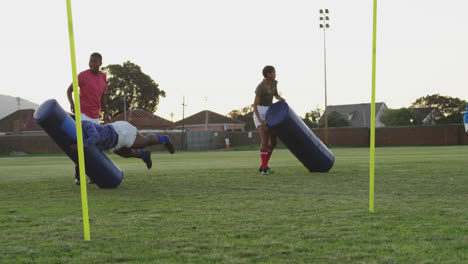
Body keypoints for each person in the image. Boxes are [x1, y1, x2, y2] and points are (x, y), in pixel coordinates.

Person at [70, 120, 175, 177]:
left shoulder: (85, 124)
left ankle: (165, 139)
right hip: (113, 143)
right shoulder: (75, 134)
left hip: (120, 132)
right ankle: (145, 155)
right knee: (125, 154)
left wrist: (79, 146)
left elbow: (95, 137)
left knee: (144, 142)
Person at [66, 52, 110, 184]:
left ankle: (92, 175)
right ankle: (78, 176)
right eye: (90, 61)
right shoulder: (82, 75)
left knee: (94, 146)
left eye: (95, 62)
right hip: (83, 114)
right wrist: (72, 103)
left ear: (100, 63)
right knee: (84, 145)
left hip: (96, 116)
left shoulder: (103, 76)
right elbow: (69, 90)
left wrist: (106, 113)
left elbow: (103, 96)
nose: (92, 64)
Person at [253, 65, 285, 175]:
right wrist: (260, 120)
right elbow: (255, 105)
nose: (275, 74)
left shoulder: (274, 83)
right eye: (274, 72)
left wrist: (280, 98)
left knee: (274, 141)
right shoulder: (260, 87)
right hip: (260, 112)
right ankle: (265, 169)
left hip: (269, 112)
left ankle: (263, 165)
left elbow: (275, 95)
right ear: (268, 74)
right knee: (265, 139)